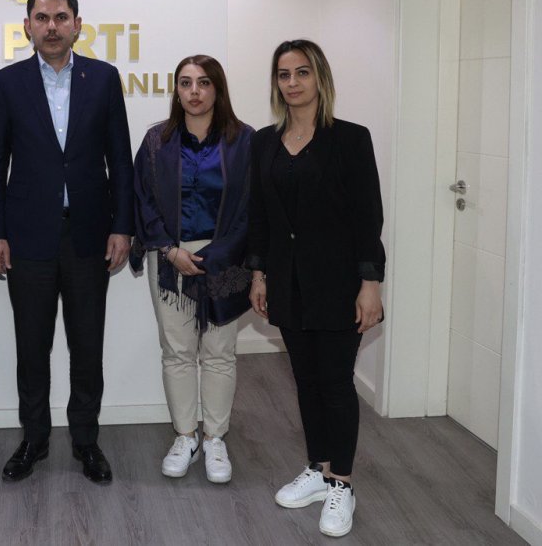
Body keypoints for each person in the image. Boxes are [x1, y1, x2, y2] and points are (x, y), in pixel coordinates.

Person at [0, 0, 134, 485]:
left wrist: (123, 226)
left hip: (90, 236)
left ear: (77, 25)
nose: (51, 26)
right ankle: (34, 438)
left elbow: (121, 160)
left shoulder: (104, 78)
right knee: (32, 347)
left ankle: (86, 440)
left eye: (61, 17)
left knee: (87, 347)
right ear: (27, 25)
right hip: (27, 239)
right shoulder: (7, 83)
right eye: (42, 17)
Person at [246, 39, 385, 538]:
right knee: (305, 380)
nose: (293, 82)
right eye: (284, 74)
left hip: (339, 282)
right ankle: (319, 468)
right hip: (287, 281)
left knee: (335, 382)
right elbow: (259, 214)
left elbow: (368, 217)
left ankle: (342, 483)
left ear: (320, 78)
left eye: (302, 72)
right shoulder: (264, 142)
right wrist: (259, 273)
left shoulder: (350, 139)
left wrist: (370, 283)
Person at [130, 55, 253, 483]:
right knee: (177, 351)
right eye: (185, 83)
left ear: (218, 88)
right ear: (177, 90)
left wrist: (221, 252)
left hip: (226, 258)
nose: (194, 92)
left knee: (219, 352)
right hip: (170, 259)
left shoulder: (244, 141)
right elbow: (142, 200)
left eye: (203, 83)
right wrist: (168, 249)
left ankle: (215, 437)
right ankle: (186, 436)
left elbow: (251, 206)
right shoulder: (157, 141)